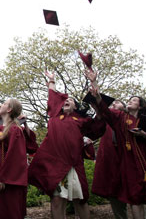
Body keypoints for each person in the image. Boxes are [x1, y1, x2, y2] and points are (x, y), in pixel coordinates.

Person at [87, 70, 146, 219]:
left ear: (140, 106)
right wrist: (94, 83)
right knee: (135, 199)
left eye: (134, 100)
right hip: (129, 165)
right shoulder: (120, 118)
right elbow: (105, 110)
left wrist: (145, 135)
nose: (130, 100)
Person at [28, 71, 105, 219]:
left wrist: (95, 89)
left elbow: (99, 126)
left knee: (81, 200)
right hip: (56, 165)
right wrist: (52, 81)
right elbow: (53, 98)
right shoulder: (55, 117)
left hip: (74, 165)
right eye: (64, 100)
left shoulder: (82, 121)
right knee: (57, 200)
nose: (66, 101)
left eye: (70, 100)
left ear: (76, 106)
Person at [92, 99, 130, 219]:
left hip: (127, 162)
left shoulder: (130, 120)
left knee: (136, 195)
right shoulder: (107, 121)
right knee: (115, 194)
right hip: (111, 164)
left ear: (124, 107)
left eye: (118, 103)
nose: (114, 104)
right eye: (113, 103)